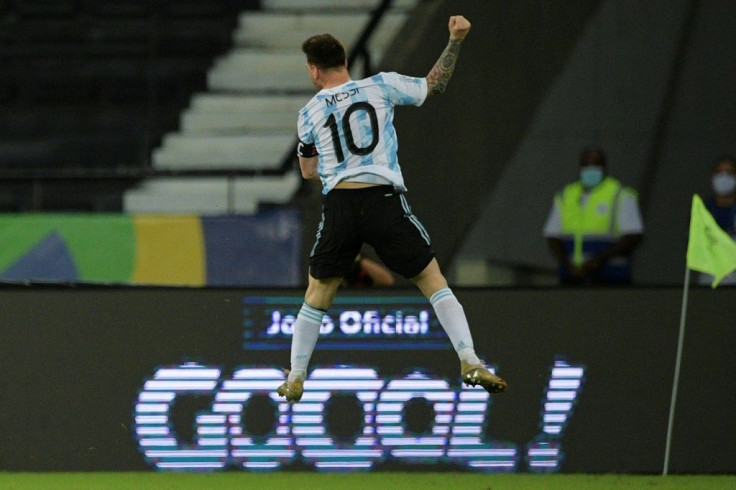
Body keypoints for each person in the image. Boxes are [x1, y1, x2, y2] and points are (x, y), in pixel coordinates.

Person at [277, 15, 507, 403]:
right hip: (383, 198)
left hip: (341, 205)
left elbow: (308, 170)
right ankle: (469, 359)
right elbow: (434, 85)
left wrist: (337, 165)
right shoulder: (380, 85)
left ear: (314, 70)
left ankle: (296, 375)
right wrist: (455, 41)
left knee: (317, 294)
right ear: (345, 61)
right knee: (432, 281)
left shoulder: (308, 114)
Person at [543, 146, 644, 286]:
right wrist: (567, 264)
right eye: (586, 165)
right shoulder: (566, 195)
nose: (590, 170)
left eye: (595, 165)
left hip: (611, 277)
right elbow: (553, 236)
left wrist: (600, 260)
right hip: (572, 277)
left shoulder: (620, 195)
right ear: (580, 167)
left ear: (604, 167)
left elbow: (633, 236)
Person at [697, 155, 736, 285]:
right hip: (710, 278)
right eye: (719, 172)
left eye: (729, 172)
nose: (724, 177)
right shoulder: (703, 209)